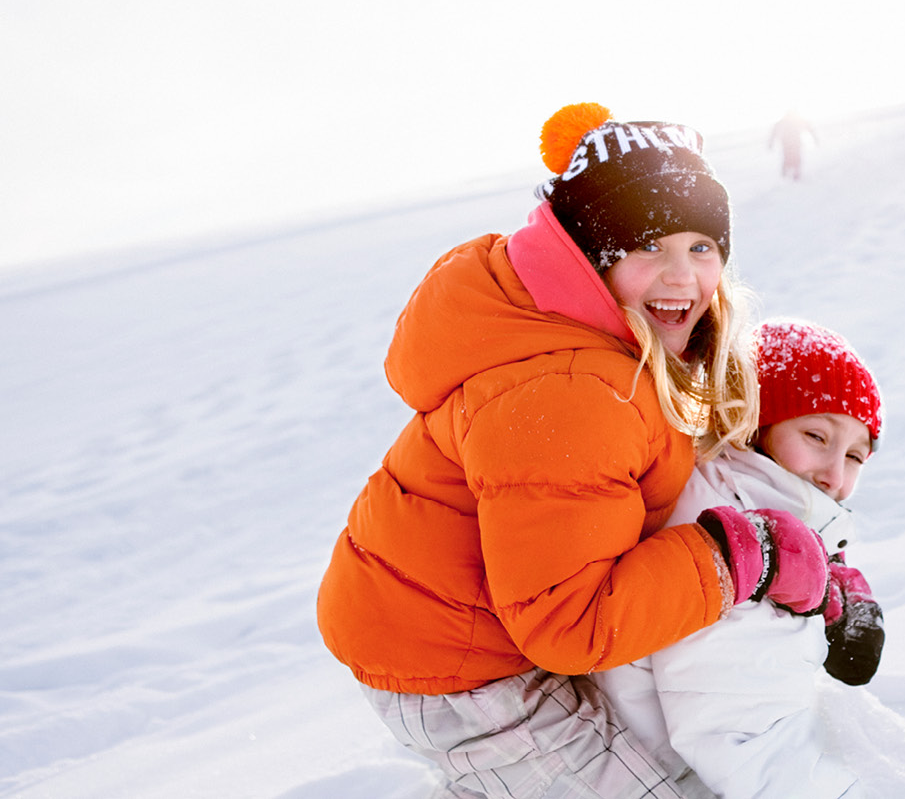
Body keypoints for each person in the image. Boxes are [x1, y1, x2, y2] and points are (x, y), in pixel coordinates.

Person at [316, 103, 837, 799]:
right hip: (462, 664)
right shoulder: (571, 391)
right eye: (648, 245)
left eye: (701, 247)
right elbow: (571, 623)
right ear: (590, 255)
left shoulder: (619, 344)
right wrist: (744, 553)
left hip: (494, 615)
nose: (682, 277)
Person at [597, 318, 888, 798]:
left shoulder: (731, 500)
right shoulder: (733, 546)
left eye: (856, 456)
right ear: (751, 424)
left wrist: (827, 570)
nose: (835, 475)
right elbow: (746, 743)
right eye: (817, 436)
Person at [769, 109, 817, 181]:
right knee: (794, 157)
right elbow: (809, 128)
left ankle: (787, 173)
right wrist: (815, 138)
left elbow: (774, 131)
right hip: (793, 142)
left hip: (787, 142)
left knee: (789, 157)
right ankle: (792, 173)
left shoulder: (784, 121)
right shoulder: (797, 120)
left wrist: (771, 142)